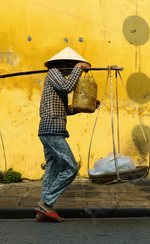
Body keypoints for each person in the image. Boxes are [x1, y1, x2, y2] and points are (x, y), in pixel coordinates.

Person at [35, 47, 95, 222]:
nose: (71, 70)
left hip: (52, 128)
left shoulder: (57, 78)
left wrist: (84, 107)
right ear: (63, 65)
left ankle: (44, 212)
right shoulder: (54, 73)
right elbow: (68, 87)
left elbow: (64, 110)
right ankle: (46, 202)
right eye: (70, 66)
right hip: (51, 128)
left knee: (52, 169)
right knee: (70, 168)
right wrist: (78, 68)